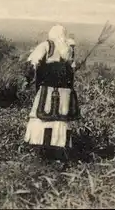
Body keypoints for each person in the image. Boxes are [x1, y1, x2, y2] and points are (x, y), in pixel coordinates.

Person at [23, 25, 81, 161]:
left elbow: (33, 63)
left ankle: (44, 150)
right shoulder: (69, 49)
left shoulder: (47, 45)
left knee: (44, 117)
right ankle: (58, 150)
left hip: (48, 89)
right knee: (60, 119)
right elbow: (71, 69)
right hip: (65, 92)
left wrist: (28, 79)